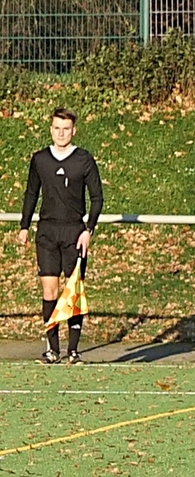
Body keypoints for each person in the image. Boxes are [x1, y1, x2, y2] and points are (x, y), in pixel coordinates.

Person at [18, 107, 103, 365]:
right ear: (51, 129)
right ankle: (52, 350)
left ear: (73, 131)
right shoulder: (40, 159)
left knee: (73, 290)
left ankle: (73, 351)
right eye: (57, 128)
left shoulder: (84, 159)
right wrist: (24, 226)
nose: (61, 133)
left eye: (66, 129)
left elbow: (97, 198)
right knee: (50, 290)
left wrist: (88, 230)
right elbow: (31, 193)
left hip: (74, 232)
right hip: (47, 232)